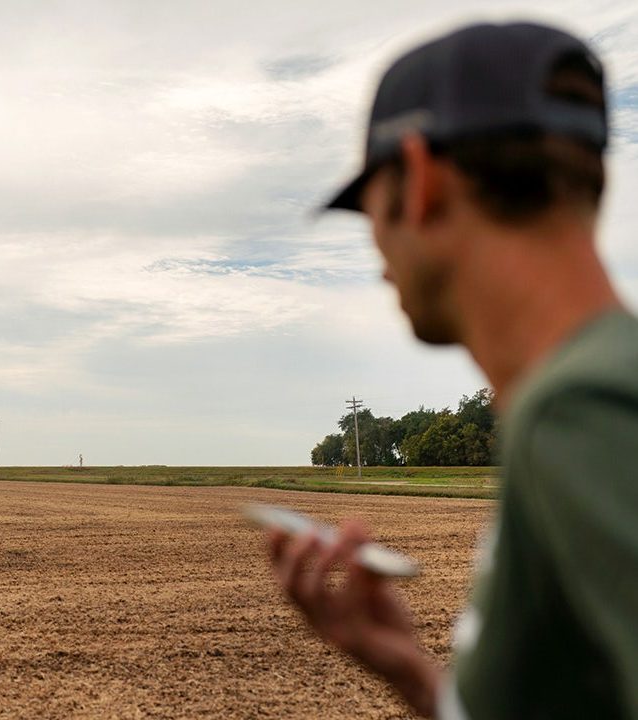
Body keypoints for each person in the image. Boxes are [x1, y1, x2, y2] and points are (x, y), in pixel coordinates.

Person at [267, 21, 638, 719]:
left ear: (422, 178)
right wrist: (417, 675)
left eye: (368, 204)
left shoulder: (585, 408)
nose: (376, 244)